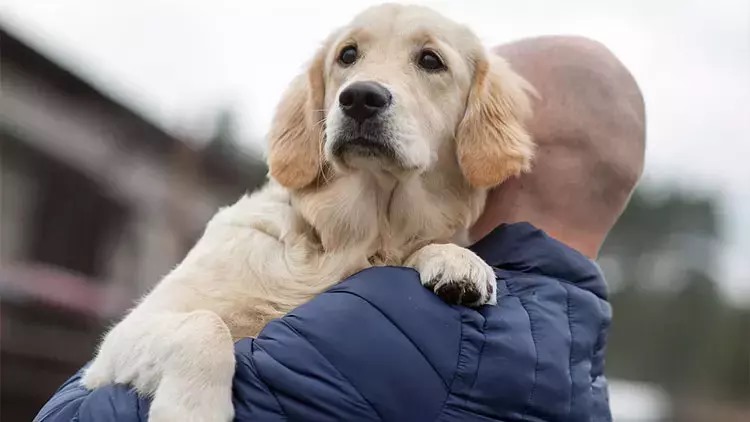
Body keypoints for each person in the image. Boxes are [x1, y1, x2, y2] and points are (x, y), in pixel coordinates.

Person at [34, 35, 645, 422]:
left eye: (430, 62)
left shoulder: (404, 328)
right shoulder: (576, 375)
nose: (364, 87)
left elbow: (75, 412)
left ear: (486, 135)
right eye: (348, 58)